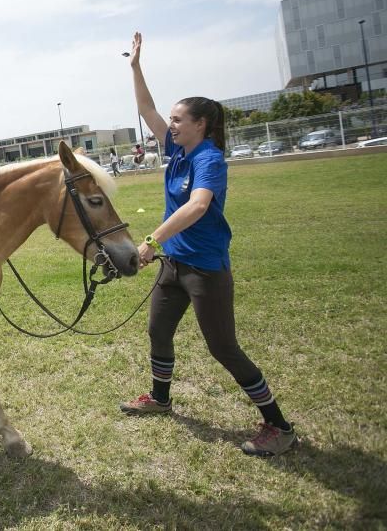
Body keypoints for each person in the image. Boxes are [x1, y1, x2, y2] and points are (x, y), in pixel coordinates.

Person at [120, 31, 298, 457]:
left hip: (205, 270)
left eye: (180, 119)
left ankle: (279, 426)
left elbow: (198, 206)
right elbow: (146, 108)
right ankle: (160, 399)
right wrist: (135, 67)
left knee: (223, 348)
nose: (172, 123)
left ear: (201, 125)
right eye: (173, 119)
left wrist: (151, 239)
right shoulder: (177, 150)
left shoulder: (208, 160)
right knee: (158, 332)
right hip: (173, 266)